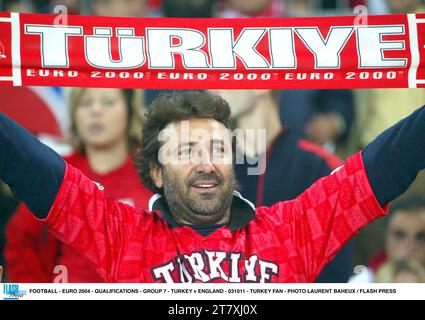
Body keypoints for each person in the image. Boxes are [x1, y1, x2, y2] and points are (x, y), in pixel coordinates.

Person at [0, 91, 424, 283]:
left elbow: (379, 169)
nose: (206, 163)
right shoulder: (123, 235)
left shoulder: (289, 231)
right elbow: (35, 171)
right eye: (186, 150)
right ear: (159, 172)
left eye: (217, 148)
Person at [4, 88, 153, 283]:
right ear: (74, 113)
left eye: (108, 102)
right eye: (86, 103)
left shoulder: (154, 173)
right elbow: (21, 242)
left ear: (130, 110)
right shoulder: (55, 172)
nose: (95, 111)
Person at [214, 90, 352, 282]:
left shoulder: (320, 167)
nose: (211, 88)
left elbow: (334, 273)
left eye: (226, 74)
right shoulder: (207, 168)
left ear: (260, 85)